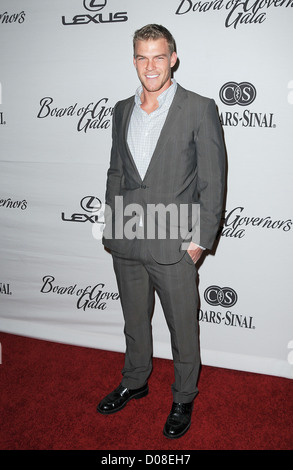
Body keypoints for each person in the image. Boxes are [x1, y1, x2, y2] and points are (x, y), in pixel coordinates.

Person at [97, 24, 226, 439]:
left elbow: (213, 181)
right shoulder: (121, 109)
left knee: (183, 328)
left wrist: (200, 242)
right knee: (134, 322)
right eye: (141, 57)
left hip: (175, 243)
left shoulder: (198, 107)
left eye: (158, 56)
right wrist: (112, 226)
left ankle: (184, 396)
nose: (149, 66)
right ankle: (135, 381)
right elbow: (117, 172)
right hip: (127, 238)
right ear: (134, 60)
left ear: (172, 58)